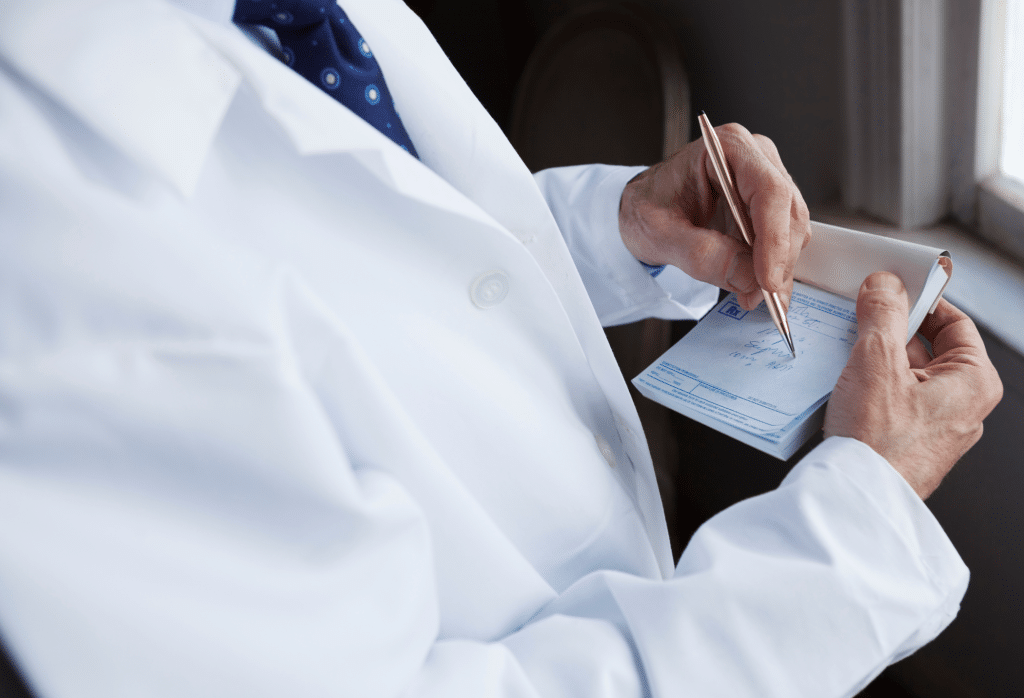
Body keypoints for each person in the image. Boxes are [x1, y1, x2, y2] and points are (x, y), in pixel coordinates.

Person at [0, 0, 1001, 697]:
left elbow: (374, 255)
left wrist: (617, 227)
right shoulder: (48, 253)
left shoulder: (276, 13)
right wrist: (856, 517)